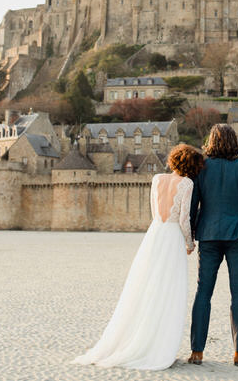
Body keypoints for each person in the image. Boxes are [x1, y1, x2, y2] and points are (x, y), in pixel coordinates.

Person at [72, 144, 204, 370]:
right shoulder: (187, 183)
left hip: (155, 234)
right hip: (172, 237)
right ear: (192, 166)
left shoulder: (157, 179)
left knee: (145, 286)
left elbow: (155, 212)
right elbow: (184, 219)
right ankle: (158, 345)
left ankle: (134, 339)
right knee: (168, 291)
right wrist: (190, 243)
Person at [188, 123, 238, 366]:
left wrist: (188, 235)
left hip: (208, 235)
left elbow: (193, 205)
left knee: (203, 292)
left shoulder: (201, 169)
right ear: (235, 143)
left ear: (211, 141)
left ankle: (197, 352)